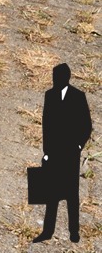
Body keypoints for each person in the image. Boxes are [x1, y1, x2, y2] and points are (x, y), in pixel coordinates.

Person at [40, 63, 93, 243]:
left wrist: (78, 145)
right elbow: (46, 126)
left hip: (70, 151)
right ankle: (48, 231)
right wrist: (46, 151)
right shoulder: (50, 95)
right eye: (55, 76)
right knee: (51, 193)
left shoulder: (78, 96)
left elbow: (87, 125)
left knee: (72, 194)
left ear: (67, 77)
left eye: (59, 76)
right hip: (54, 151)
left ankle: (74, 231)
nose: (56, 80)